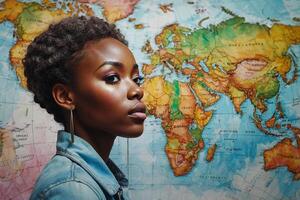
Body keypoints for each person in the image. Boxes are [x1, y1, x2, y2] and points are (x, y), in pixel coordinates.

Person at [23, 16, 146, 200]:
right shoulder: (72, 189)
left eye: (136, 79)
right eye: (112, 78)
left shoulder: (91, 179)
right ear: (65, 97)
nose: (137, 90)